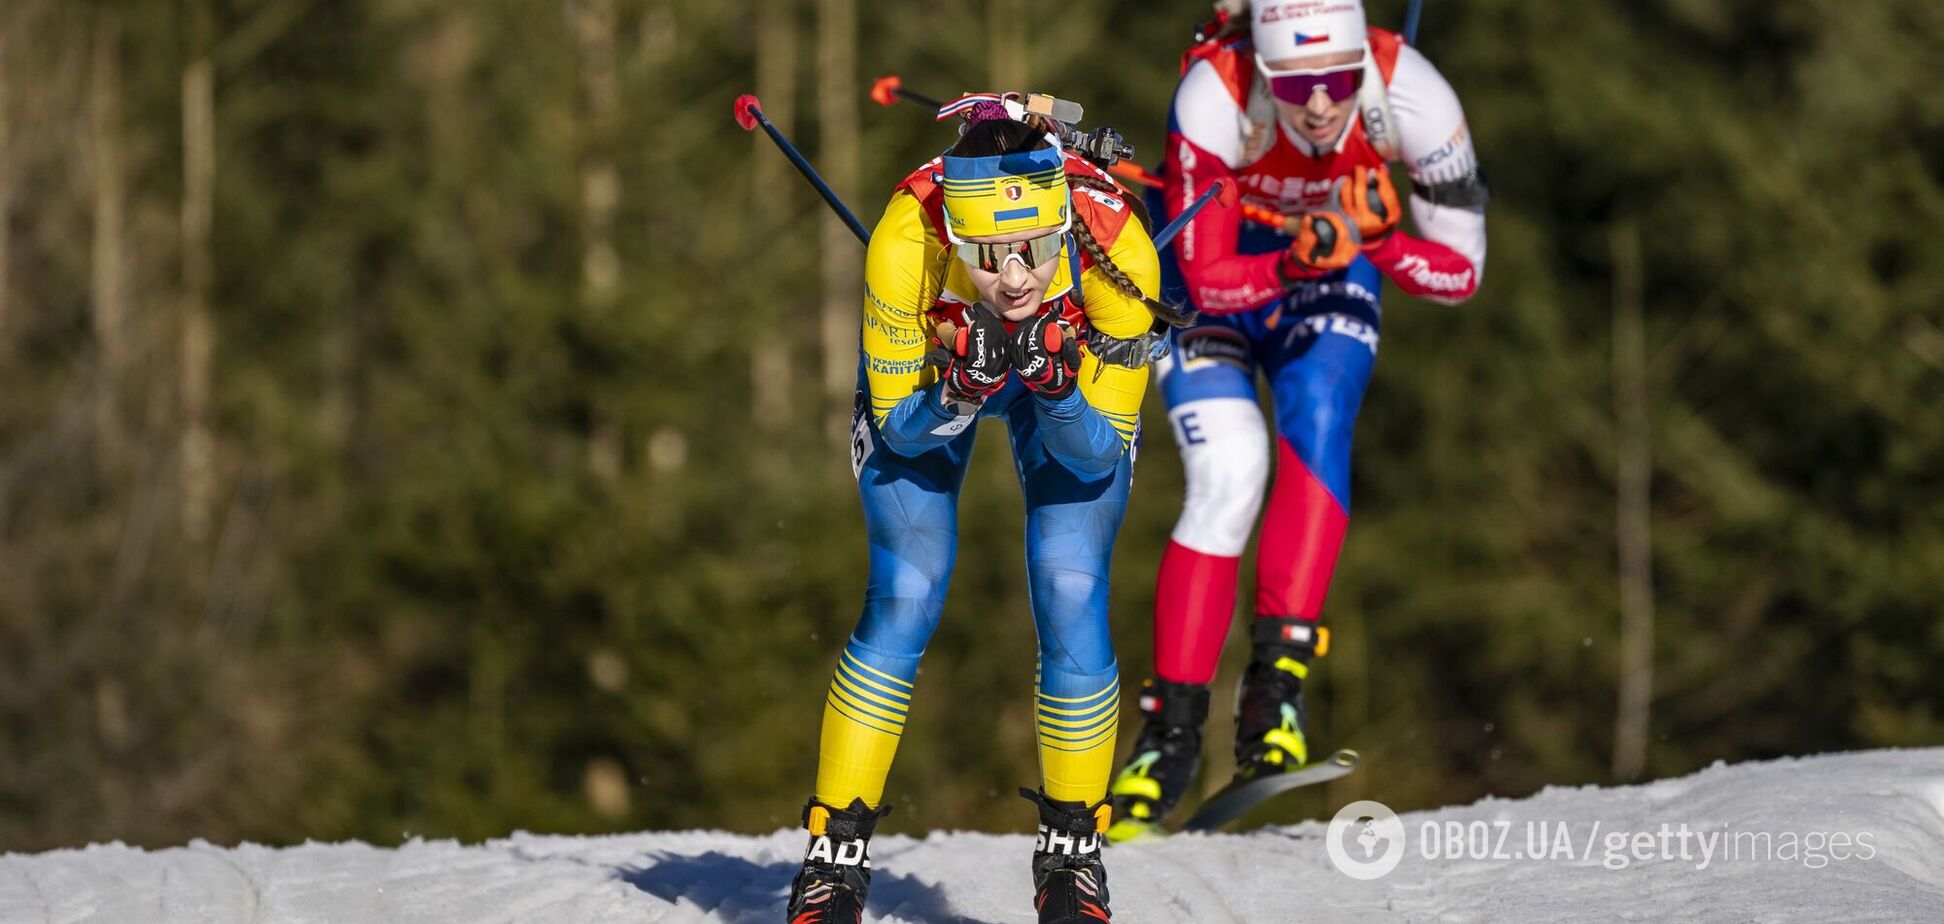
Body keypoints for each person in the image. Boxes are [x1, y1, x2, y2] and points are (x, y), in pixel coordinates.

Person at [1106, 0, 1489, 842]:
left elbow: (1462, 272)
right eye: (1298, 82)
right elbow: (1207, 280)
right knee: (1228, 473)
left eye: (1338, 80)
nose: (1320, 104)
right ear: (1263, 67)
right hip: (1220, 281)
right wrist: (1289, 255)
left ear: (1365, 62)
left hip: (1329, 276)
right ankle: (1167, 738)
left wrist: (1381, 239)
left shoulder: (1415, 95)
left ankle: (1274, 691)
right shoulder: (1216, 92)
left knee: (1317, 416)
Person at [785, 98, 1162, 924]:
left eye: (1032, 250)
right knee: (905, 591)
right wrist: (959, 388)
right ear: (956, 238)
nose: (1016, 276)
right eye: (988, 258)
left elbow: (1096, 454)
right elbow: (898, 432)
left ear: (1064, 222)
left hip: (1071, 385)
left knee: (1071, 584)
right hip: (933, 379)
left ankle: (1073, 849)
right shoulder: (904, 242)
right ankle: (833, 853)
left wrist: (1058, 390)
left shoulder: (1118, 248)